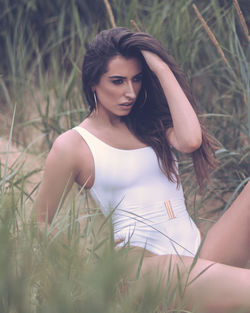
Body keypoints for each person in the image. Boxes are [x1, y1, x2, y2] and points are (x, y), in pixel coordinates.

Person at [35, 27, 250, 312]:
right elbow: (38, 222)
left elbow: (190, 140)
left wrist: (160, 67)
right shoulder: (74, 145)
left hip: (193, 253)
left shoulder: (148, 124)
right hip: (143, 270)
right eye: (117, 81)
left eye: (136, 79)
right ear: (93, 84)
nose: (130, 92)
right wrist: (81, 273)